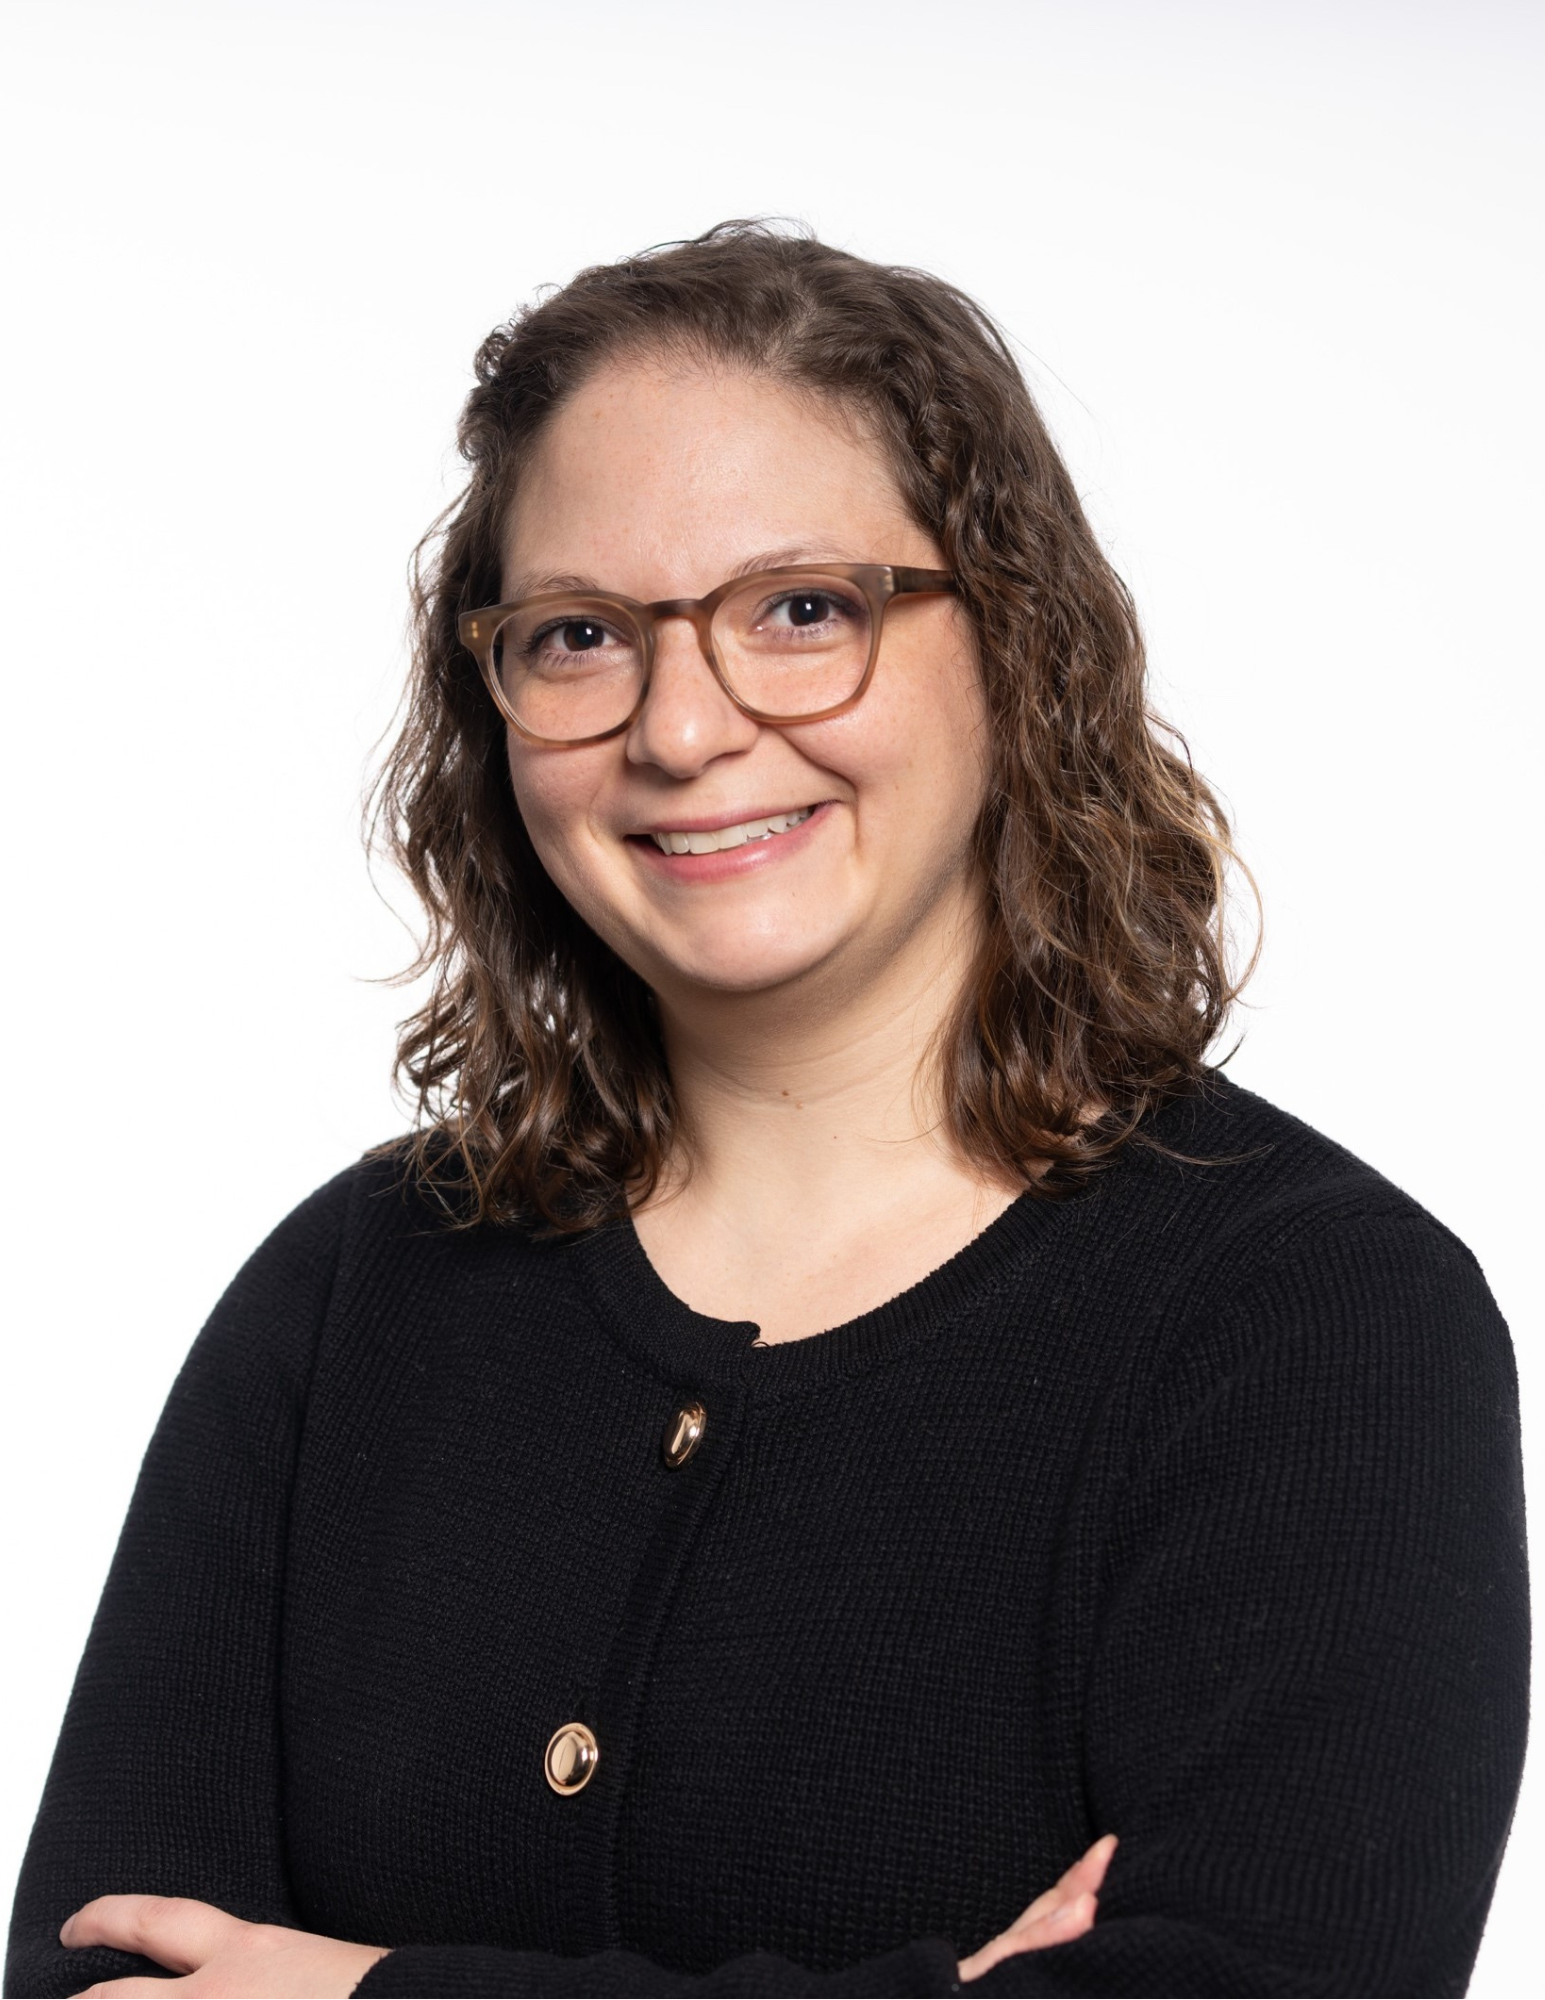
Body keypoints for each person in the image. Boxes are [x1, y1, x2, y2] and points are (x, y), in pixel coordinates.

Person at [5, 222, 1528, 2000]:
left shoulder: (1315, 1323)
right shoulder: (357, 1289)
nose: (680, 729)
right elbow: (101, 1978)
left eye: (803, 611)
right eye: (581, 635)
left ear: (1014, 641)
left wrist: (359, 1992)